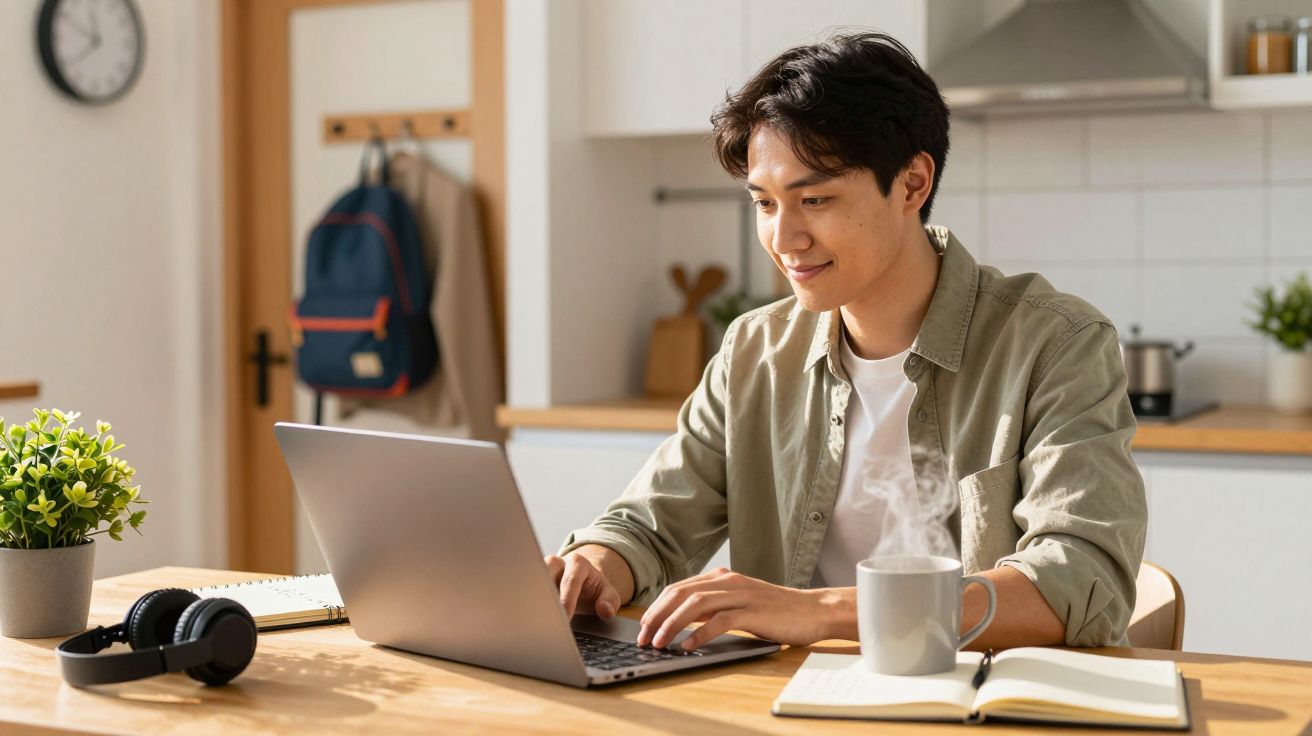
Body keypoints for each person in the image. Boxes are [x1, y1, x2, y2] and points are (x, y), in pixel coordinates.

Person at [544, 32, 1146, 653]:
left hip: (986, 702)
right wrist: (592, 563)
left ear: (912, 183)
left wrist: (824, 612)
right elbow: (650, 525)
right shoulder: (755, 351)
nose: (785, 238)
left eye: (814, 199)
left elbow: (1081, 577)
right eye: (764, 203)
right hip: (791, 702)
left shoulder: (1054, 342)